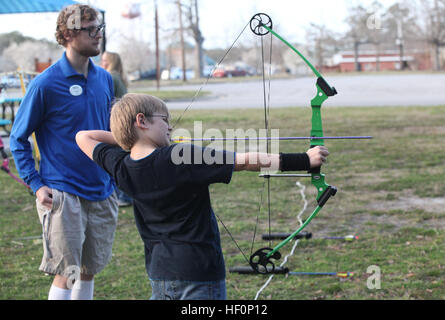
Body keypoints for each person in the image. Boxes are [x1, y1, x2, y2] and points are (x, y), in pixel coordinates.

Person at [75, 93, 330, 300]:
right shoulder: (180, 156)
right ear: (142, 121)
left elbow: (83, 136)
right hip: (198, 274)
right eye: (164, 119)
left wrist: (126, 142)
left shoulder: (120, 165)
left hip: (160, 274)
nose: (170, 126)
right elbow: (243, 162)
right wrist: (305, 160)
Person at [10, 4, 118, 300]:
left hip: (101, 189)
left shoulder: (104, 78)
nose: (99, 36)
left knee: (88, 269)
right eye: (91, 29)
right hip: (63, 192)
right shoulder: (45, 84)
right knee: (67, 272)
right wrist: (36, 184)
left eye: (100, 29)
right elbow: (18, 139)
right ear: (69, 34)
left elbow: (108, 132)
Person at [100, 51, 132, 206]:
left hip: (116, 124)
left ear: (111, 62)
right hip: (120, 122)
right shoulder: (117, 76)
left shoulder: (111, 77)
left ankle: (124, 197)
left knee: (116, 160)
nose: (101, 62)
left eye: (104, 60)